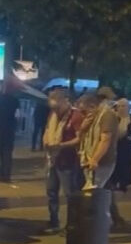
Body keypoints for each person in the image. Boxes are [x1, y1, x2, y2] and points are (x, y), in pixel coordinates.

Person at [41, 88, 83, 233]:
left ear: (65, 101)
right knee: (51, 192)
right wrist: (46, 141)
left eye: (58, 108)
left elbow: (79, 139)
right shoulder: (53, 115)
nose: (56, 111)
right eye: (53, 108)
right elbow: (47, 131)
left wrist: (61, 146)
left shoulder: (76, 116)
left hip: (67, 161)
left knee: (69, 194)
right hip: (53, 159)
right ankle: (54, 222)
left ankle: (71, 225)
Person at [78, 86, 119, 189]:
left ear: (92, 106)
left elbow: (105, 139)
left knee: (93, 192)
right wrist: (83, 128)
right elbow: (82, 138)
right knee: (98, 193)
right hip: (90, 160)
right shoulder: (93, 117)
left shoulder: (106, 115)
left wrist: (95, 159)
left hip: (102, 162)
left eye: (84, 111)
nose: (82, 115)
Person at [108, 98, 131, 228]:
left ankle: (114, 216)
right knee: (109, 186)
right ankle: (113, 217)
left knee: (116, 185)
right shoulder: (113, 118)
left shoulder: (130, 118)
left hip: (124, 149)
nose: (123, 108)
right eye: (121, 106)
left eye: (125, 106)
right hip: (113, 151)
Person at [0, 80, 19, 182]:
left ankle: (0, 174)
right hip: (10, 129)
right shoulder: (15, 100)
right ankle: (7, 175)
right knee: (7, 153)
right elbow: (17, 115)